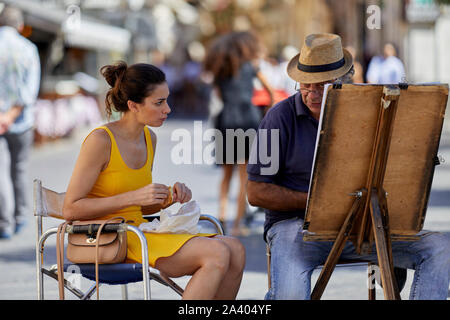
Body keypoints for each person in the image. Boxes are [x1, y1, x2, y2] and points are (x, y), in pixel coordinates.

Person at [246, 33, 450, 300]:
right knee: (290, 295)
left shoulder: (364, 112)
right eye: (306, 85)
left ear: (341, 81)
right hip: (297, 229)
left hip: (363, 226)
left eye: (322, 85)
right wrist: (316, 203)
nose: (311, 93)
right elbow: (256, 192)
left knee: (439, 248)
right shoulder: (279, 118)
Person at [62, 61, 245, 300]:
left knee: (236, 249)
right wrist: (134, 197)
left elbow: (140, 205)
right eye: (159, 103)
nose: (167, 109)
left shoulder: (150, 139)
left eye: (166, 100)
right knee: (217, 254)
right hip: (109, 239)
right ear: (133, 105)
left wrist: (168, 197)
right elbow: (70, 208)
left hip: (140, 232)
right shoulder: (100, 141)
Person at [203, 31, 274, 236]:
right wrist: (266, 111)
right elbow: (270, 91)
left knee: (226, 174)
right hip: (248, 119)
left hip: (226, 120)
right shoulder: (251, 67)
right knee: (245, 175)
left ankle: (222, 217)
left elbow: (217, 95)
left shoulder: (220, 71)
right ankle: (238, 224)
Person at [0, 6, 41, 239]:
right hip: (22, 121)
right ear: (20, 26)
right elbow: (30, 90)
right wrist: (12, 115)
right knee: (20, 167)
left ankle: (4, 223)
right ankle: (20, 216)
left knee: (1, 171)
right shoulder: (28, 48)